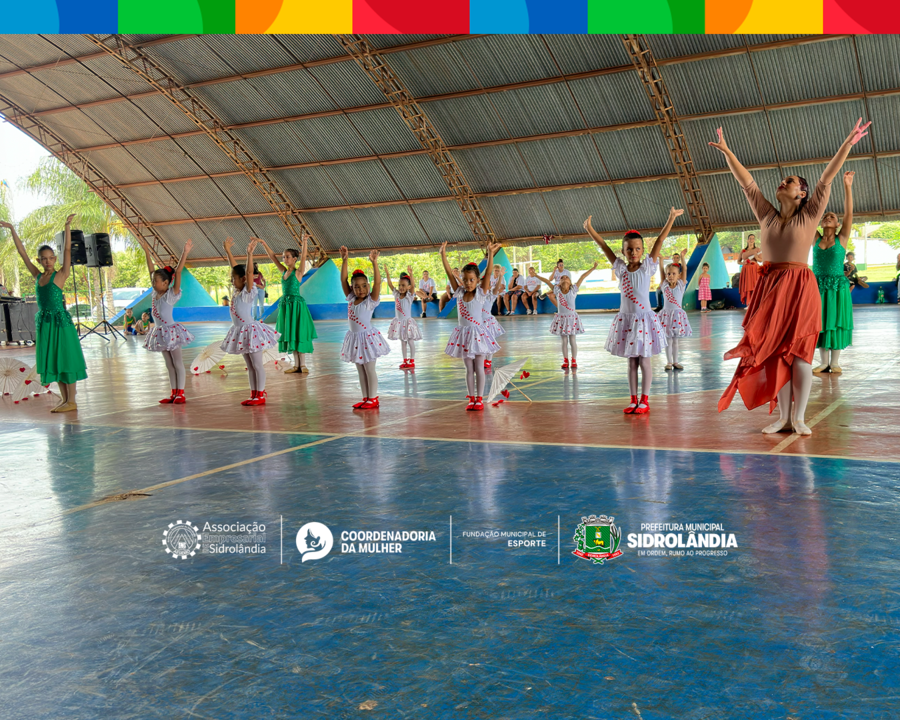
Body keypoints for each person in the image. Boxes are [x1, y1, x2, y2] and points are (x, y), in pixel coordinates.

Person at [710, 119, 870, 435]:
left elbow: (827, 178)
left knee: (799, 354)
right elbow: (747, 184)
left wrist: (847, 145)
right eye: (784, 180)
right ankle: (783, 417)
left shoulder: (810, 214)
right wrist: (727, 151)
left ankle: (799, 418)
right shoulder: (767, 215)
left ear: (802, 194)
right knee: (774, 354)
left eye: (791, 182)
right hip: (769, 287)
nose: (784, 183)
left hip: (800, 286)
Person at [585, 207, 682, 415]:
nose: (634, 253)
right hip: (627, 322)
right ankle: (632, 400)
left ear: (642, 250)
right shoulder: (620, 268)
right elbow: (603, 246)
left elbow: (659, 242)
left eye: (638, 249)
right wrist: (590, 230)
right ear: (623, 251)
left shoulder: (648, 267)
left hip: (644, 321)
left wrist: (670, 218)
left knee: (644, 360)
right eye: (629, 249)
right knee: (631, 362)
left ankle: (645, 400)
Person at [3, 215, 87, 412]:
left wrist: (67, 227)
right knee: (53, 360)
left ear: (54, 259)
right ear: (39, 260)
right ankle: (65, 400)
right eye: (44, 259)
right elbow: (21, 252)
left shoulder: (61, 274)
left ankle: (71, 400)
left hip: (60, 323)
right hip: (46, 324)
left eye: (51, 258)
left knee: (65, 359)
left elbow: (67, 250)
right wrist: (11, 228)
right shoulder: (38, 275)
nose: (48, 261)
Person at [440, 241, 502, 411]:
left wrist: (490, 254)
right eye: (466, 280)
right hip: (464, 336)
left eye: (471, 280)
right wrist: (443, 255)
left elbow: (488, 272)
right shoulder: (459, 292)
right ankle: (471, 398)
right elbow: (448, 272)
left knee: (479, 368)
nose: (468, 283)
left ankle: (480, 398)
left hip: (478, 335)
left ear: (477, 281)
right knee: (468, 369)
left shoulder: (481, 293)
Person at [221, 239, 281, 405]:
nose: (232, 281)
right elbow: (236, 269)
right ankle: (253, 394)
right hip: (240, 331)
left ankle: (260, 394)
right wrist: (228, 252)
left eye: (234, 279)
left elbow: (247, 273)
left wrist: (249, 254)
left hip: (250, 331)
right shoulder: (237, 292)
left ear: (243, 279)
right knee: (250, 365)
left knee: (256, 364)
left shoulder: (248, 292)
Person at [138, 237, 195, 404]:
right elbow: (151, 270)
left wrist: (184, 253)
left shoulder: (171, 294)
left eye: (156, 281)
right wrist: (147, 252)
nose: (153, 283)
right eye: (153, 281)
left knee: (177, 363)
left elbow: (177, 272)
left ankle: (181, 393)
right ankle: (173, 392)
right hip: (160, 332)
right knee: (169, 364)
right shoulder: (155, 293)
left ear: (165, 282)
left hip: (171, 331)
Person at [812, 171, 855, 375]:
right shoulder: (815, 238)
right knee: (820, 321)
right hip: (817, 286)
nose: (828, 217)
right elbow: (809, 215)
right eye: (825, 216)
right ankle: (823, 362)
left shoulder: (842, 238)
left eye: (832, 217)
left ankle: (835, 362)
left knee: (835, 320)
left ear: (838, 224)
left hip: (837, 287)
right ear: (821, 223)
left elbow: (849, 213)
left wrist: (847, 186)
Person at [259, 232, 317, 374]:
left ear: (294, 259)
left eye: (287, 256)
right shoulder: (284, 271)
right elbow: (272, 257)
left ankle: (302, 365)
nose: (284, 258)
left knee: (298, 333)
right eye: (284, 256)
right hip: (286, 306)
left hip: (296, 306)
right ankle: (296, 365)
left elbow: (304, 257)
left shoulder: (298, 272)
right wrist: (264, 243)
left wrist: (304, 242)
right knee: (290, 333)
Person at [339, 247, 390, 409]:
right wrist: (344, 260)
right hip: (354, 339)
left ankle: (373, 398)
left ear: (368, 285)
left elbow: (377, 283)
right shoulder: (351, 298)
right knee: (360, 371)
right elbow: (343, 280)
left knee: (369, 369)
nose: (360, 289)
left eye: (363, 286)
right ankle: (365, 397)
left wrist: (374, 263)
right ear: (352, 288)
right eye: (356, 286)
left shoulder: (370, 300)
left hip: (367, 339)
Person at [534, 263, 598, 369]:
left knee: (572, 340)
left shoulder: (573, 289)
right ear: (559, 282)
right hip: (562, 318)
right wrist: (536, 275)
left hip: (571, 318)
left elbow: (583, 276)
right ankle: (565, 360)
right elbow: (546, 281)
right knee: (564, 341)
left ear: (570, 281)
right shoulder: (557, 290)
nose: (564, 278)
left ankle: (574, 360)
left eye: (566, 277)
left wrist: (593, 268)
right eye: (562, 277)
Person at [384, 265, 422, 370]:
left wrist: (411, 274)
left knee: (410, 341)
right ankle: (405, 360)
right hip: (400, 323)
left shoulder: (409, 296)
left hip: (407, 323)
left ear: (408, 287)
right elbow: (390, 285)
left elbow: (413, 285)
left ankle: (412, 360)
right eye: (400, 285)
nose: (401, 287)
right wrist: (387, 274)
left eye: (404, 285)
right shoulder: (396, 295)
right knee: (403, 342)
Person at [659, 262, 692, 370]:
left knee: (675, 341)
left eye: (674, 274)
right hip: (667, 316)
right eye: (668, 274)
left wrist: (683, 258)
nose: (671, 276)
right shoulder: (664, 286)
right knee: (668, 341)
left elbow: (685, 271)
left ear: (679, 275)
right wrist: (661, 260)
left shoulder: (680, 286)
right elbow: (661, 272)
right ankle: (669, 362)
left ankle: (676, 362)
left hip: (677, 316)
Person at [481, 266, 506, 370]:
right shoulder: (477, 296)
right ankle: (482, 359)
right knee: (481, 341)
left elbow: (497, 288)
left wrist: (500, 276)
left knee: (490, 341)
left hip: (488, 321)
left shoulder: (491, 296)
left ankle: (489, 360)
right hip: (479, 322)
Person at [738, 234, 761, 306]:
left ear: (754, 240)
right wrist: (743, 263)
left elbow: (761, 260)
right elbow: (738, 261)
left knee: (755, 286)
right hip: (746, 271)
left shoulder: (757, 249)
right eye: (750, 238)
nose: (751, 240)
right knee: (747, 286)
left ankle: (756, 304)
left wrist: (756, 258)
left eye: (753, 238)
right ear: (747, 240)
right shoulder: (743, 251)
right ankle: (749, 304)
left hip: (754, 269)